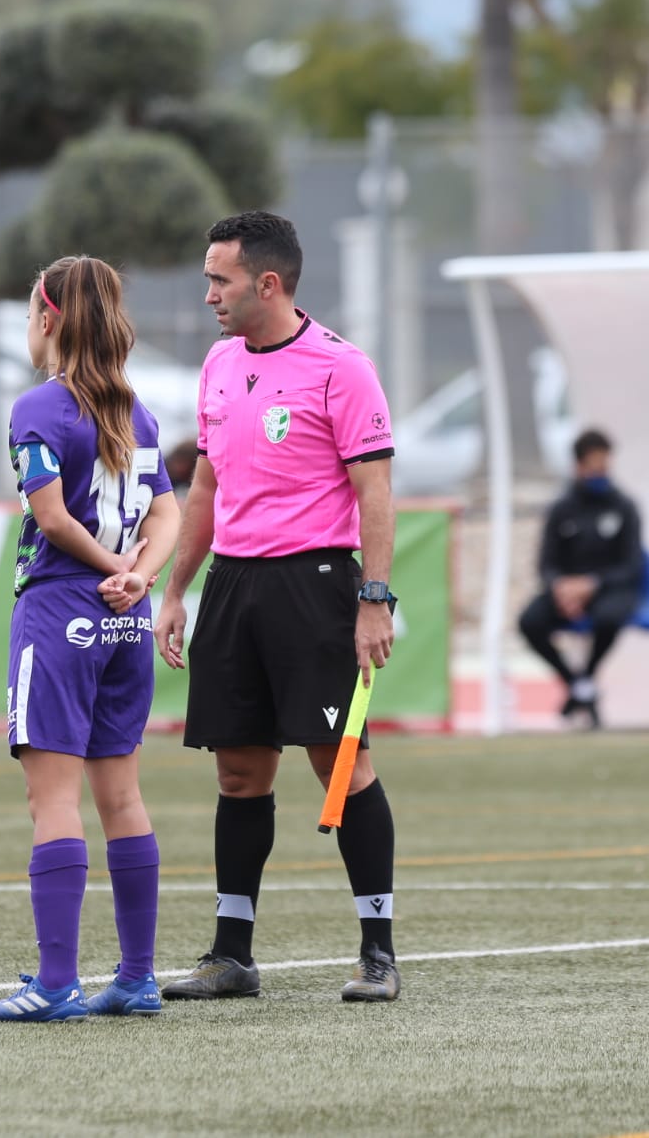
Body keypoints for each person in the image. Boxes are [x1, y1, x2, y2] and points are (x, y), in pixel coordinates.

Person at [153, 210, 404, 1004]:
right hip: (234, 584)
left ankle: (377, 951)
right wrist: (175, 590)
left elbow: (376, 492)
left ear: (268, 282)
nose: (208, 296)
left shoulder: (342, 367)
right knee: (238, 772)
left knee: (340, 762)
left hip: (317, 585)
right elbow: (206, 486)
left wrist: (373, 598)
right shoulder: (219, 364)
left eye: (219, 280)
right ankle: (232, 954)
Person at [0, 256, 182, 1024]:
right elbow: (169, 515)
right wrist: (139, 576)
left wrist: (110, 567)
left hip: (62, 608)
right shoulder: (138, 412)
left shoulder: (40, 406)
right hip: (123, 621)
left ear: (50, 315)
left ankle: (56, 982)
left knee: (50, 799)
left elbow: (54, 516)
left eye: (34, 307)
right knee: (122, 796)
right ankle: (136, 976)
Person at [516, 429, 644, 729]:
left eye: (604, 464)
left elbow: (632, 565)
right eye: (594, 465)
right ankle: (578, 683)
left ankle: (582, 682)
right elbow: (546, 563)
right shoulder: (562, 509)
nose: (600, 471)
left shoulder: (624, 507)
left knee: (609, 617)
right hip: (566, 591)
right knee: (530, 621)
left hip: (609, 589)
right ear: (578, 466)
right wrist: (561, 587)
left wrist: (592, 584)